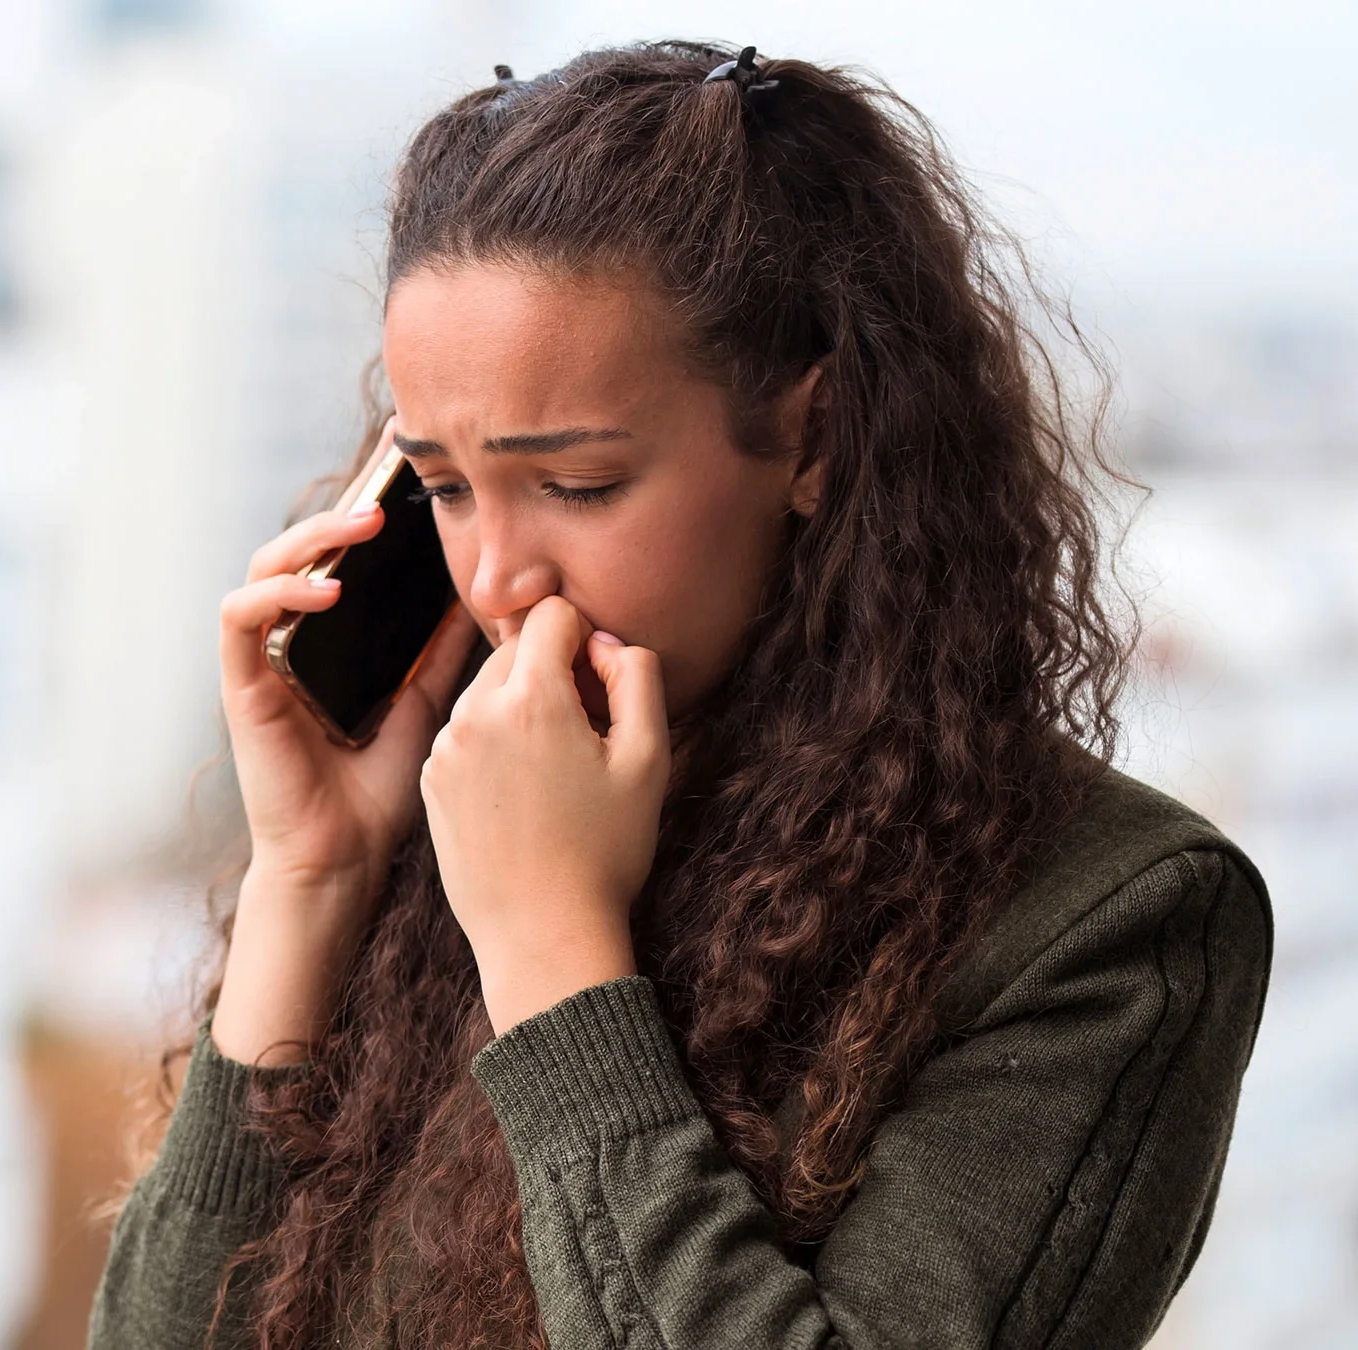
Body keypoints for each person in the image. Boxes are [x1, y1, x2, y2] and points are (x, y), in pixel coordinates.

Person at [88, 41, 1271, 1350]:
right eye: (442, 484)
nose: (496, 576)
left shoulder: (1114, 917)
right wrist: (308, 880)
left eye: (579, 484)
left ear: (812, 441)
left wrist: (551, 955)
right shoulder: (432, 826)